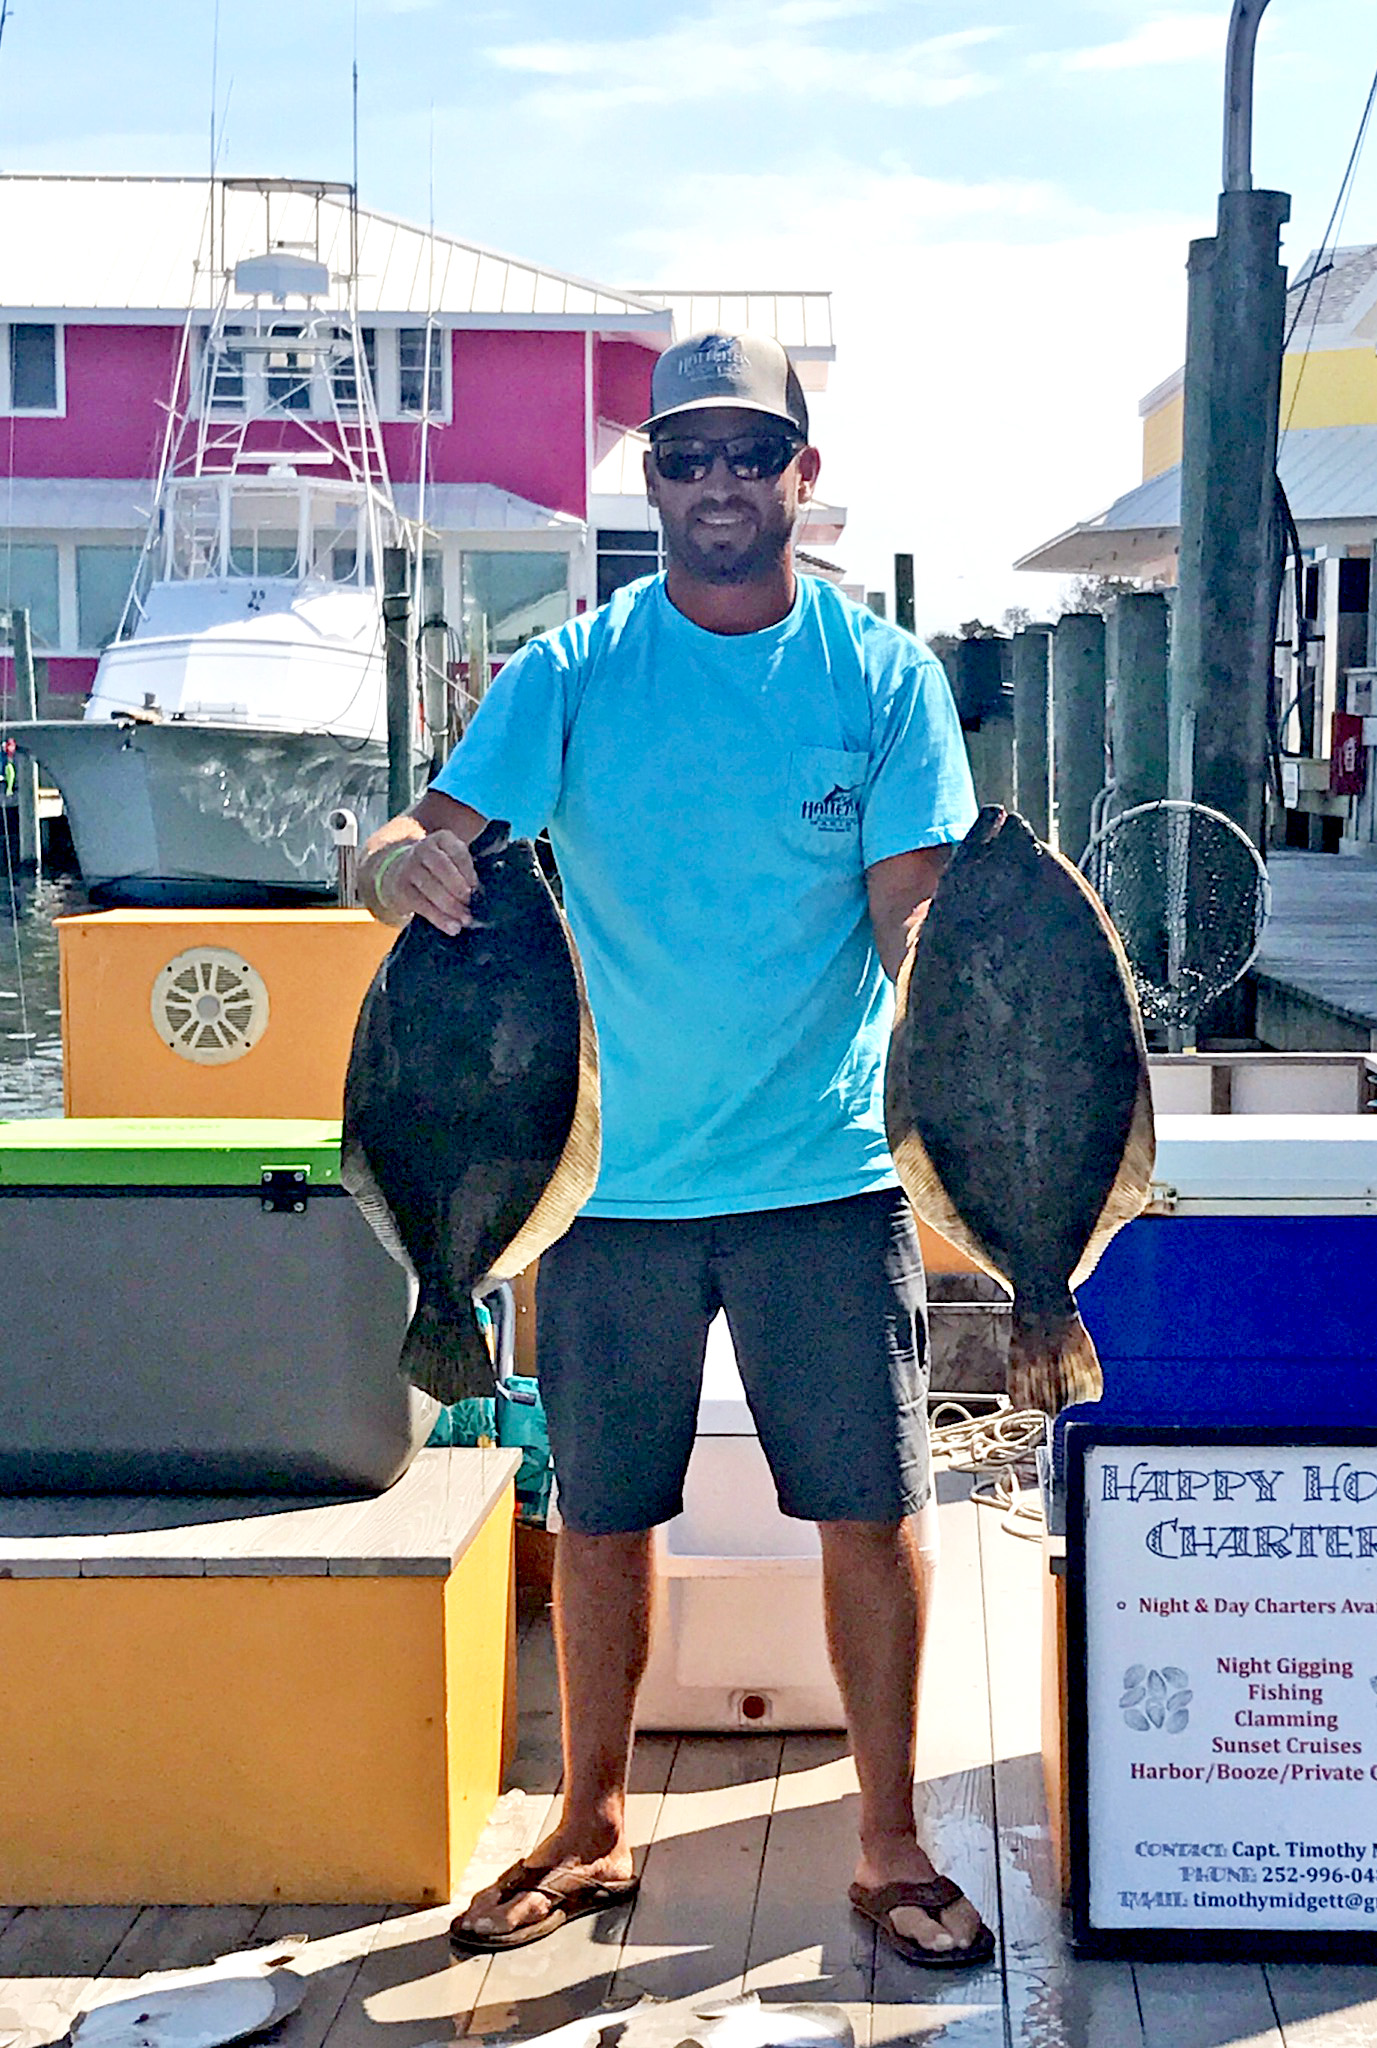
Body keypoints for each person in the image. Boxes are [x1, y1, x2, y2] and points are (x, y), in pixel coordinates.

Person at [359, 331, 991, 1970]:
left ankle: (889, 1837)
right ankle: (588, 1819)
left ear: (803, 474)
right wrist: (389, 872)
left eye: (746, 454)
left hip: (828, 1174)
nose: (715, 484)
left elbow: (911, 908)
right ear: (652, 482)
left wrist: (991, 1011)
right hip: (605, 1183)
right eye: (682, 457)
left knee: (873, 1509)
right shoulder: (572, 671)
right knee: (610, 1512)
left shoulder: (882, 678)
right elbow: (426, 841)